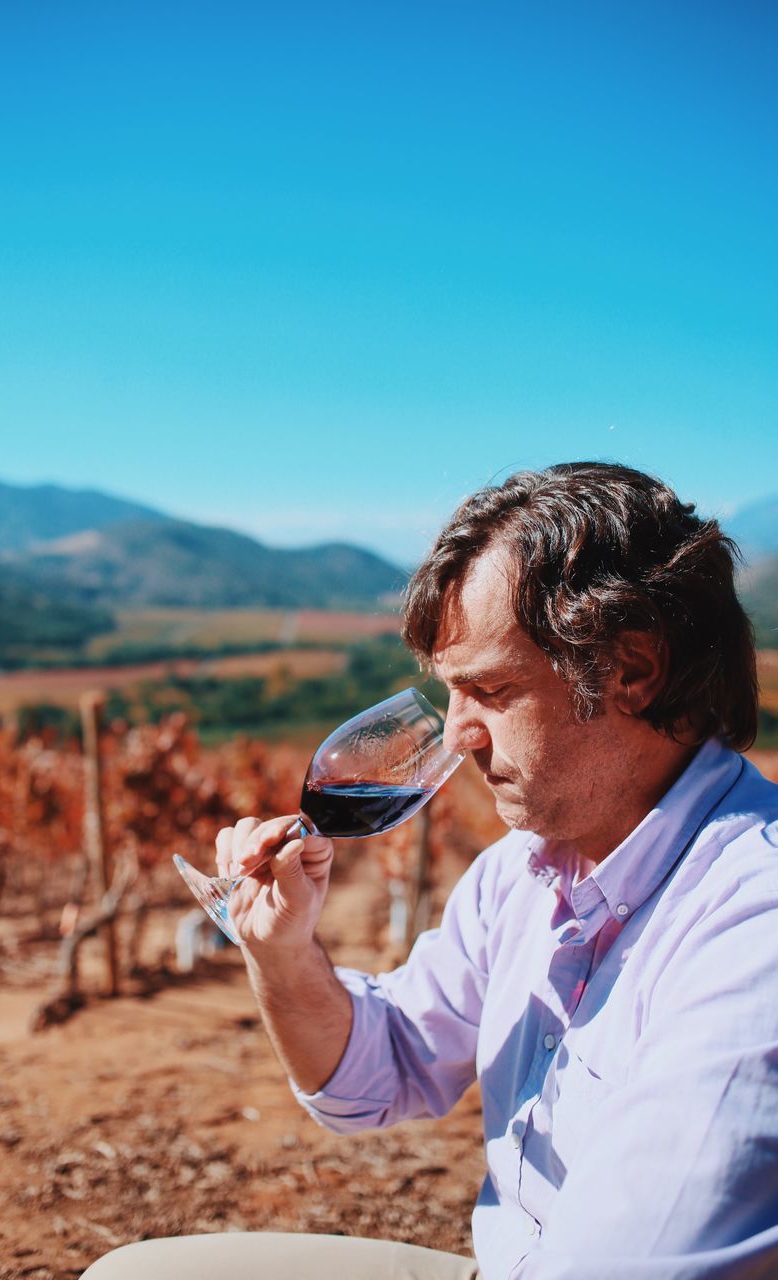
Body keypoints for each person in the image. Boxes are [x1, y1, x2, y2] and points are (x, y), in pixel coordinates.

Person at [82, 462, 778, 1279]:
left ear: (631, 669)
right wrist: (284, 954)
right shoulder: (521, 874)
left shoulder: (749, 931)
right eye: (447, 693)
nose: (454, 736)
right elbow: (380, 1076)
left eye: (488, 689)